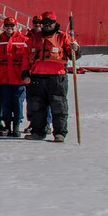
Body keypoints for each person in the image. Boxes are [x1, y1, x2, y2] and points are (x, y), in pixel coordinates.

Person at [25, 11, 78, 143]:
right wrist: (25, 73)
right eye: (44, 23)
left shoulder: (63, 37)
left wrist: (75, 49)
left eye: (49, 23)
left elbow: (74, 55)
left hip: (56, 78)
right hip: (37, 77)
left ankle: (59, 133)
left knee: (59, 106)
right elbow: (26, 58)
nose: (47, 25)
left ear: (55, 23)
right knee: (37, 106)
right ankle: (38, 132)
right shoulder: (34, 38)